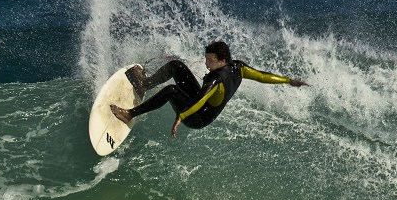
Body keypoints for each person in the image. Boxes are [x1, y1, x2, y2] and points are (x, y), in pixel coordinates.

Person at [110, 41, 308, 138]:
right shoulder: (239, 67)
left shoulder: (216, 79)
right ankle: (145, 84)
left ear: (223, 61)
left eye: (210, 61)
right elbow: (264, 76)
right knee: (176, 66)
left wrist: (180, 118)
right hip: (198, 103)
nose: (206, 63)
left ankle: (130, 114)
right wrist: (288, 80)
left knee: (172, 90)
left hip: (197, 118)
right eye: (206, 58)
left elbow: (200, 101)